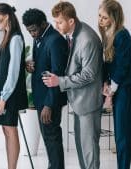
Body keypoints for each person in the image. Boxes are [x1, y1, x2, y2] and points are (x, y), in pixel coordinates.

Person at [43, 1, 103, 169]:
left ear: (71, 21)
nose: (56, 26)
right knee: (82, 147)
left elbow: (89, 75)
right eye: (55, 21)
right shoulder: (72, 34)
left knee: (89, 150)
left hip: (88, 102)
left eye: (59, 22)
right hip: (79, 101)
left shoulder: (87, 39)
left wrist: (60, 81)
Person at [0, 3, 28, 169]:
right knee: (6, 131)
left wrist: (3, 98)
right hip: (5, 94)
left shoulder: (15, 38)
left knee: (11, 130)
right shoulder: (8, 36)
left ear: (6, 16)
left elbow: (13, 73)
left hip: (10, 96)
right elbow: (3, 69)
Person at [22, 8, 68, 169]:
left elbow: (57, 74)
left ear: (43, 23)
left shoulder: (55, 40)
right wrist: (30, 66)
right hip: (41, 97)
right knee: (48, 137)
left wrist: (49, 104)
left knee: (52, 137)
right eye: (29, 31)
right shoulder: (40, 37)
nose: (32, 34)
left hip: (51, 99)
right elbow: (43, 64)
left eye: (34, 30)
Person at [98, 0, 131, 169]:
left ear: (114, 19)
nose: (100, 20)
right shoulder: (107, 33)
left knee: (123, 135)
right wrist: (106, 83)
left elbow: (122, 66)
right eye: (99, 16)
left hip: (126, 88)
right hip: (118, 86)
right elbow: (109, 64)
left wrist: (111, 91)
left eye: (105, 17)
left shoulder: (122, 35)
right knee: (120, 135)